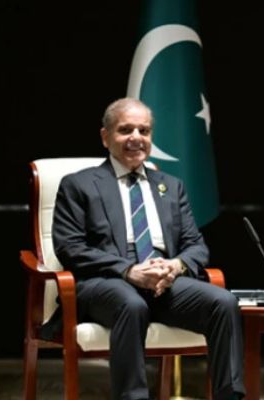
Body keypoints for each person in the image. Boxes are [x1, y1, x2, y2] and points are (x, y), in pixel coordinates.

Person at [51, 98, 244, 400]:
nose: (136, 138)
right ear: (105, 137)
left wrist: (175, 266)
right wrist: (128, 271)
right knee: (131, 304)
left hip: (162, 282)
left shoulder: (170, 186)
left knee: (224, 302)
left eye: (144, 131)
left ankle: (229, 396)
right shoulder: (79, 185)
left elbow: (195, 245)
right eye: (125, 130)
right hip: (105, 282)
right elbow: (70, 247)